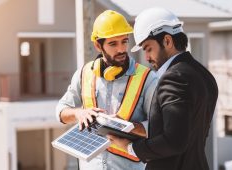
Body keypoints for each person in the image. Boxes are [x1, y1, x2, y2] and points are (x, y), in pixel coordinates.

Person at [107, 7, 218, 170]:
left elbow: (174, 140)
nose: (146, 57)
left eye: (148, 48)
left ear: (167, 41)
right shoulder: (205, 75)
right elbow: (189, 133)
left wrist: (130, 147)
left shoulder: (174, 77)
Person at [55, 10, 157, 170]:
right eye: (113, 44)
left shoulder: (147, 78)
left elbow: (160, 125)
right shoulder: (84, 73)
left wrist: (127, 127)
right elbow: (61, 112)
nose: (121, 49)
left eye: (124, 41)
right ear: (97, 45)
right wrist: (79, 113)